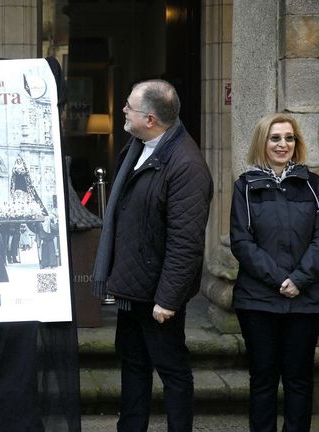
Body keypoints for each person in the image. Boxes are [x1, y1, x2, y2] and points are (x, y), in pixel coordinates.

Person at [92, 79, 213, 432]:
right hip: (132, 287)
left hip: (158, 296)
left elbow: (186, 242)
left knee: (173, 372)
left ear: (150, 119)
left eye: (130, 106)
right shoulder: (137, 147)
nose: (124, 111)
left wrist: (168, 299)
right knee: (132, 366)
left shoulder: (186, 165)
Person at [230, 113, 319, 432]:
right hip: (259, 300)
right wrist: (279, 280)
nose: (283, 144)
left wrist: (299, 280)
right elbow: (242, 241)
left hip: (306, 301)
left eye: (289, 138)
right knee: (263, 379)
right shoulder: (246, 186)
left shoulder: (313, 184)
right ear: (263, 142)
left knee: (299, 379)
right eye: (275, 138)